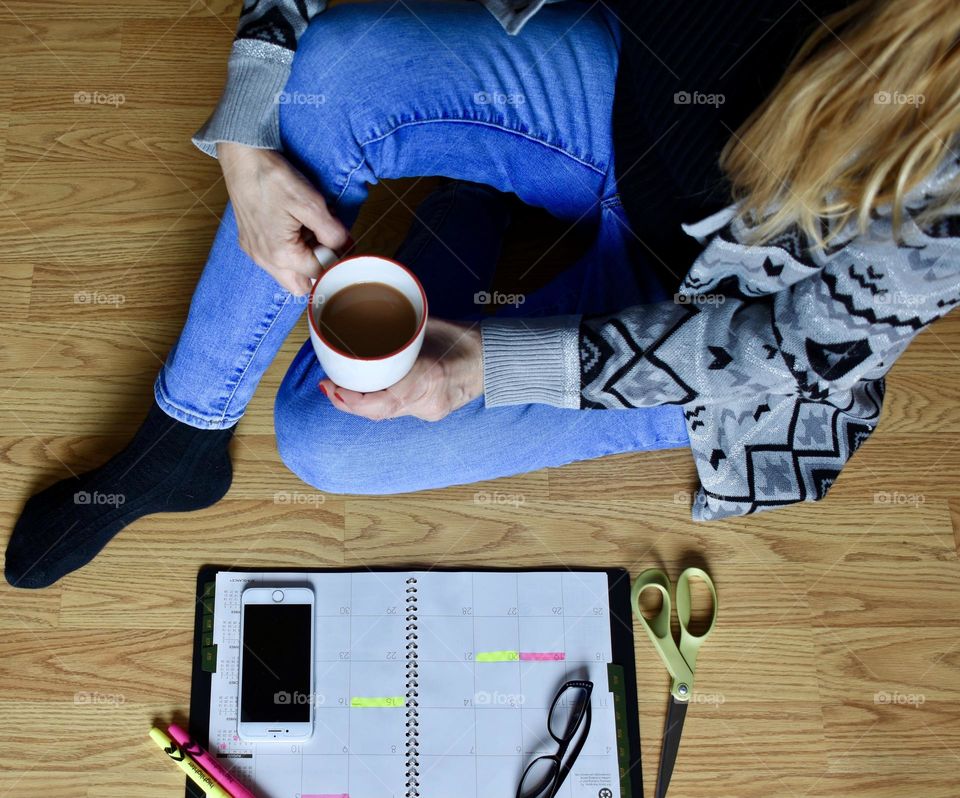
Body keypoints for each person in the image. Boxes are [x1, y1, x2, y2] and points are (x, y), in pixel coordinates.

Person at [5, 0, 959, 588]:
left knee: (325, 443)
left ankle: (466, 208)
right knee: (339, 75)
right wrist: (253, 118)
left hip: (718, 329)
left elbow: (798, 350)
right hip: (620, 106)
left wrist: (489, 367)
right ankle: (183, 436)